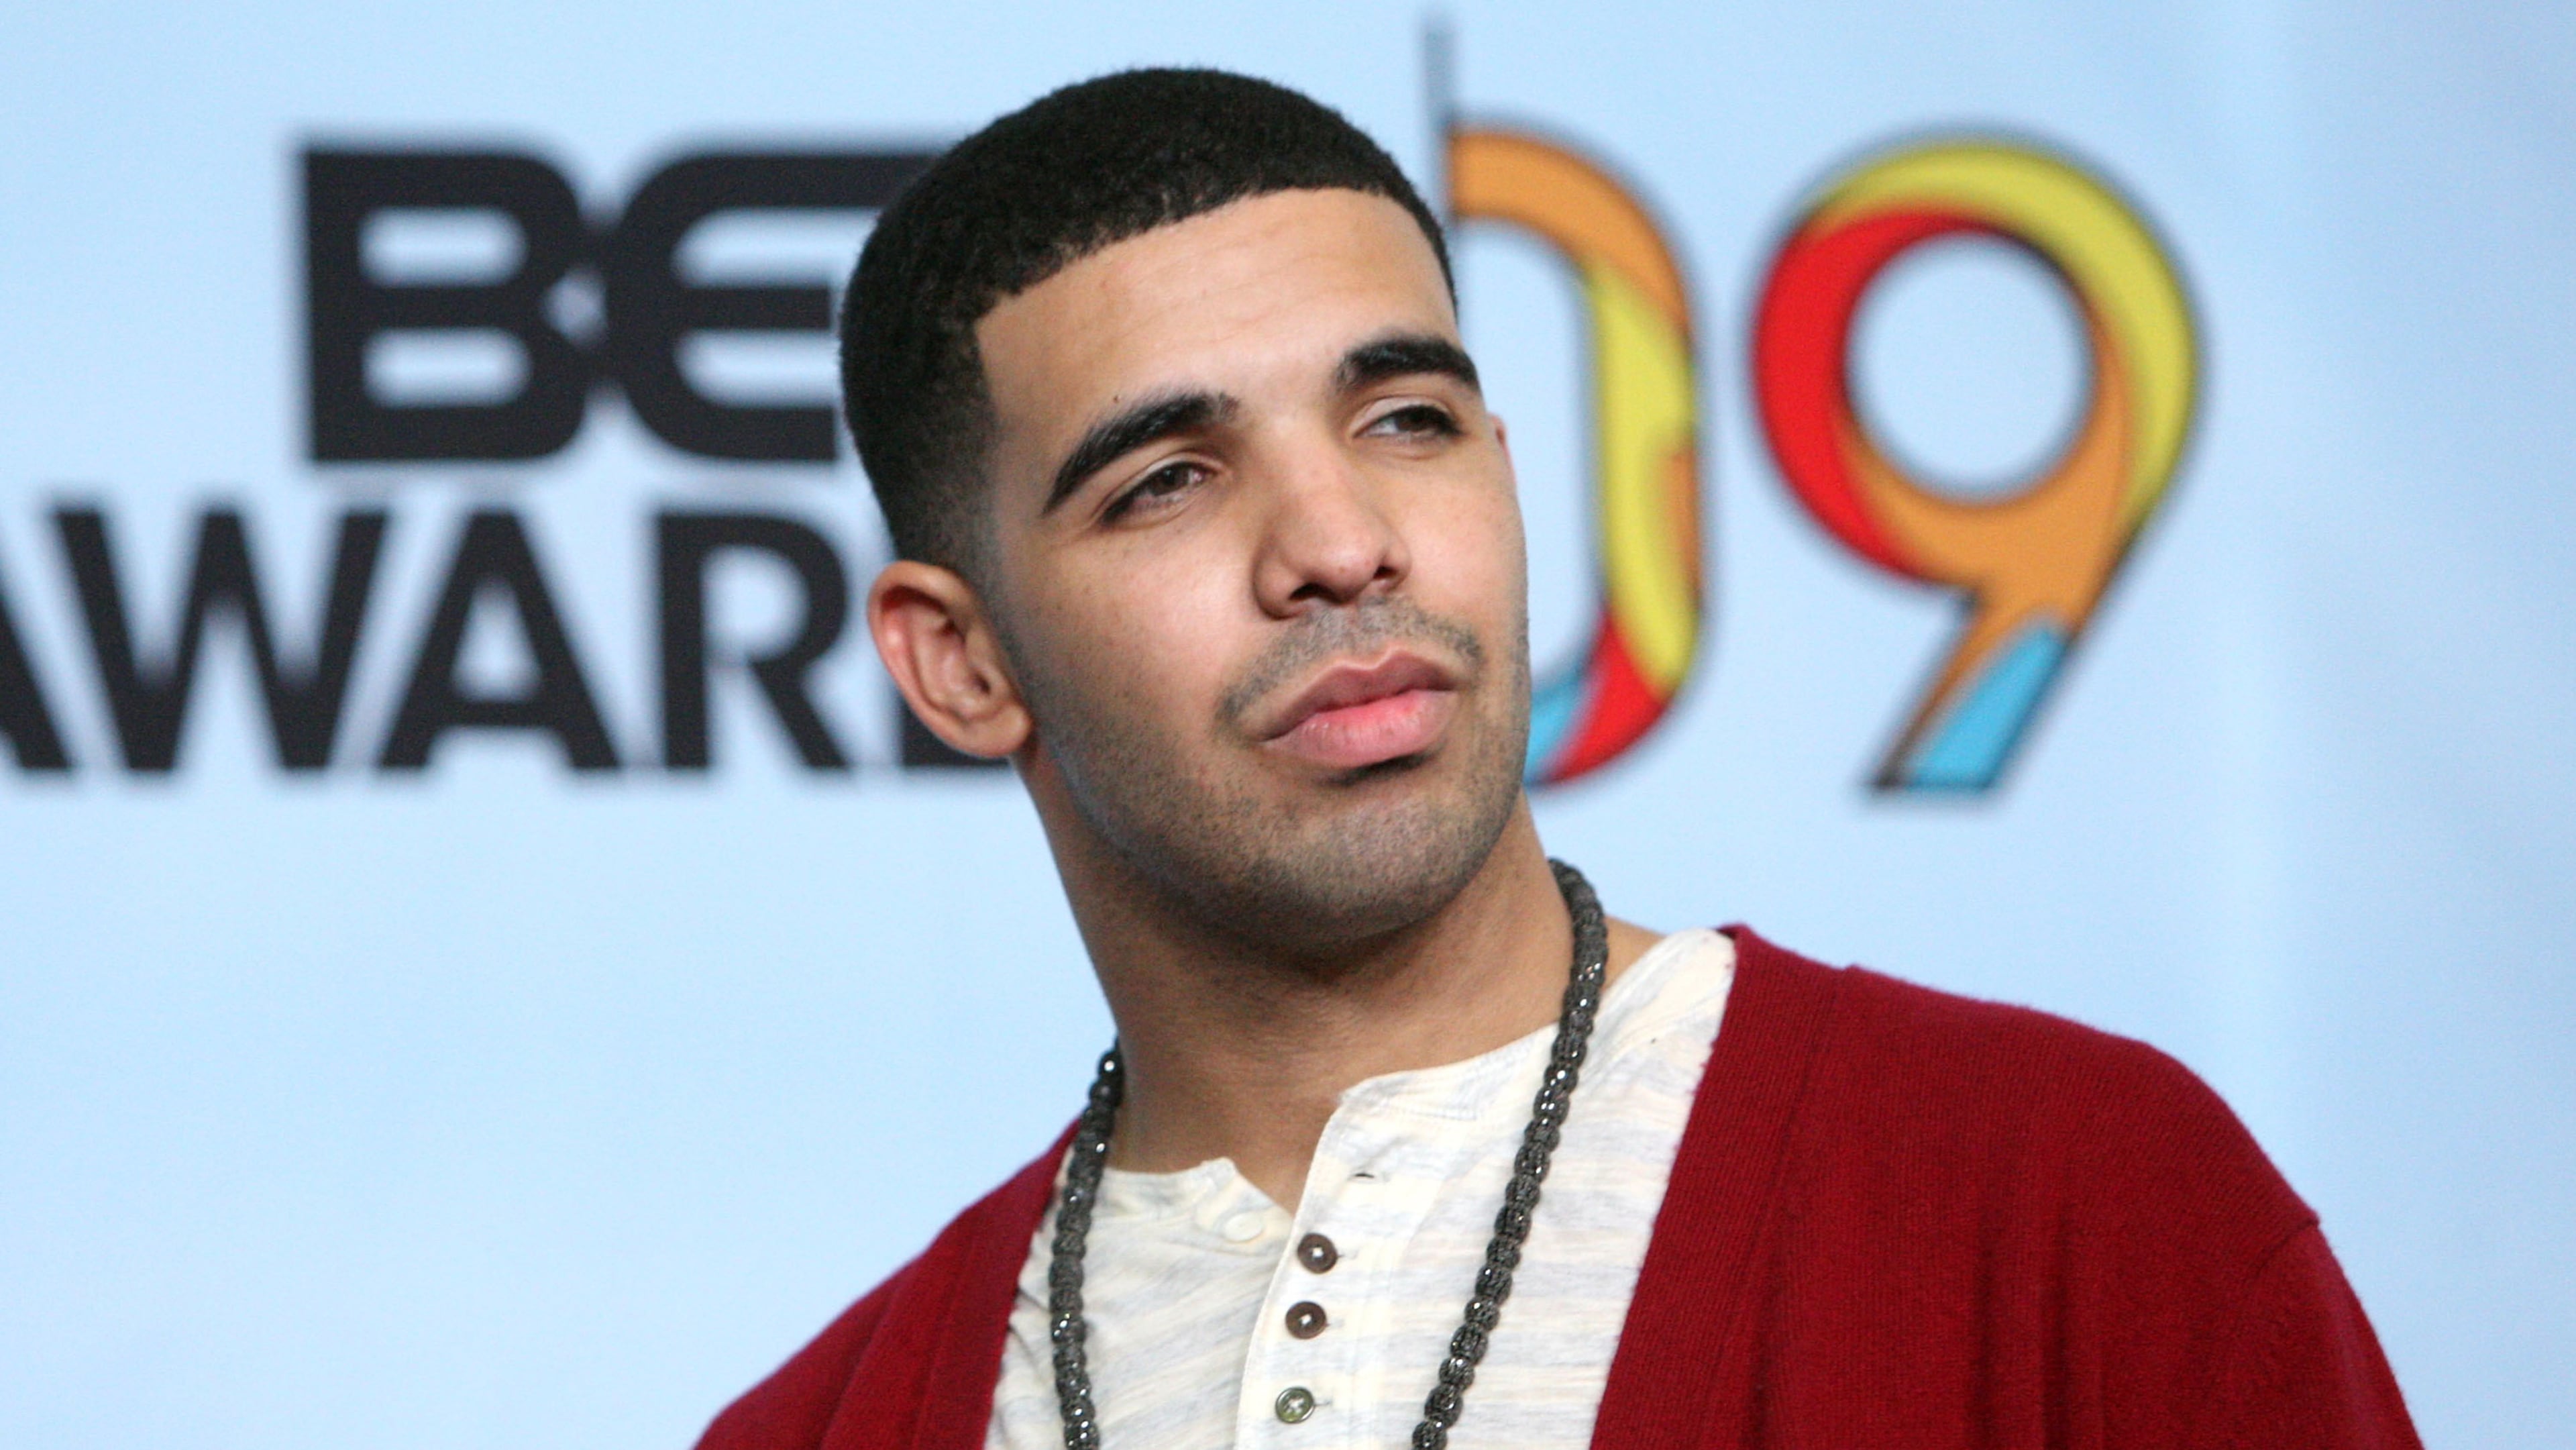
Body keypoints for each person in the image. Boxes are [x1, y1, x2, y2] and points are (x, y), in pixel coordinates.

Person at [697, 68, 2418, 1450]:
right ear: (962, 657)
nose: (1342, 541)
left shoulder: (2079, 1206)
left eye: (1406, 420)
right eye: (1170, 478)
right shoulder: (821, 1424)